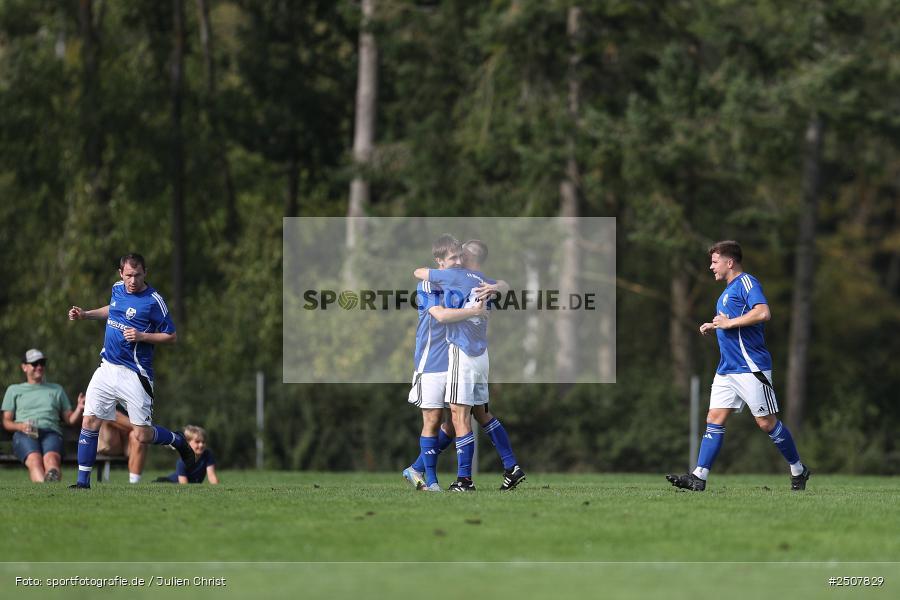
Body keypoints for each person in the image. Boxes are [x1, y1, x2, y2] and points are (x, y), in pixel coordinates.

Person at [666, 241, 810, 492]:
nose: (711, 266)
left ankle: (798, 469)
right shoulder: (726, 292)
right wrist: (715, 326)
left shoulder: (747, 283)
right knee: (714, 418)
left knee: (766, 423)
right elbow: (732, 323)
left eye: (715, 261)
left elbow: (763, 313)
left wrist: (729, 323)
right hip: (727, 369)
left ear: (729, 262)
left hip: (751, 367)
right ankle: (699, 477)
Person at [67, 252, 196, 489]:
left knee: (143, 435)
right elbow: (112, 309)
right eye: (128, 275)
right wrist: (86, 314)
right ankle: (82, 483)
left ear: (145, 273)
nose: (132, 280)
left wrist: (142, 336)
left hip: (135, 374)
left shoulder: (154, 300)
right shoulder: (117, 289)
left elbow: (172, 336)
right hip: (107, 368)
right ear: (121, 274)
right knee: (89, 421)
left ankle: (177, 440)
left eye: (137, 275)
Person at [414, 239, 526, 492]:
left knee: (458, 416)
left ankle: (464, 480)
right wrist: (500, 285)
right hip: (481, 355)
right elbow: (507, 287)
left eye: (460, 254)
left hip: (462, 353)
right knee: (481, 413)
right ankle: (512, 466)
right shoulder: (486, 283)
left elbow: (419, 273)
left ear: (466, 256)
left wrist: (439, 267)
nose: (457, 259)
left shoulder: (456, 277)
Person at [402, 235, 486, 492]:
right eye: (453, 258)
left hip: (455, 358)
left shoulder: (460, 281)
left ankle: (416, 469)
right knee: (433, 419)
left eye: (461, 256)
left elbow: (495, 286)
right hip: (430, 361)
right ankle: (432, 481)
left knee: (454, 423)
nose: (459, 261)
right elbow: (440, 316)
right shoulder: (428, 287)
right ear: (439, 261)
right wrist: (473, 311)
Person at [2, 349, 85, 482]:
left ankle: (52, 489)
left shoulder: (56, 389)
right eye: (34, 364)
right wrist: (21, 426)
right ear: (24, 367)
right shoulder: (14, 390)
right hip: (24, 434)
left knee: (51, 460)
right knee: (35, 460)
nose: (39, 367)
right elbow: (6, 421)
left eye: (42, 363)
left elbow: (70, 419)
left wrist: (79, 409)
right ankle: (47, 493)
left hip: (51, 432)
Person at [96, 405, 148, 484]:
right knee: (109, 414)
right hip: (108, 443)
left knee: (137, 437)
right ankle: (156, 433)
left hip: (127, 440)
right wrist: (146, 431)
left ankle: (134, 483)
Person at [155, 425, 219, 484]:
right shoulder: (182, 462)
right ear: (188, 443)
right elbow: (184, 485)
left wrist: (218, 490)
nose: (201, 445)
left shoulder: (207, 454)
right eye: (197, 442)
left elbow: (212, 476)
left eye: (203, 442)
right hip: (170, 481)